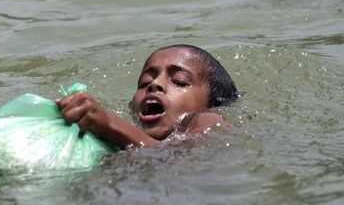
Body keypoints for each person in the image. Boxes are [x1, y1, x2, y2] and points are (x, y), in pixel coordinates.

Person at [56, 44, 240, 149]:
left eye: (179, 81)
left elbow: (180, 162)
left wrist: (111, 125)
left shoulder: (208, 119)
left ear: (212, 103)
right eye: (144, 83)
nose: (154, 84)